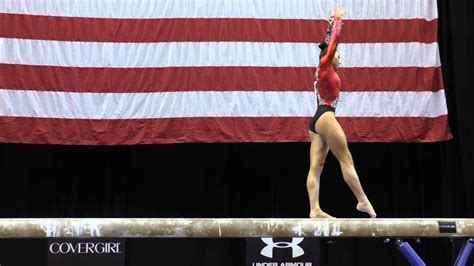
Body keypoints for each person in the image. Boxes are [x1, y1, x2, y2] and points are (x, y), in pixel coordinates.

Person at [306, 7, 376, 218]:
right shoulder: (325, 65)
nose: (340, 57)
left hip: (316, 121)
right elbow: (332, 43)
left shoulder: (323, 70)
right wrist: (338, 20)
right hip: (326, 116)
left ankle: (314, 209)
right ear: (329, 55)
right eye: (338, 54)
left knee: (316, 166)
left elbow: (329, 43)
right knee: (346, 160)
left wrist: (328, 28)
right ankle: (363, 201)